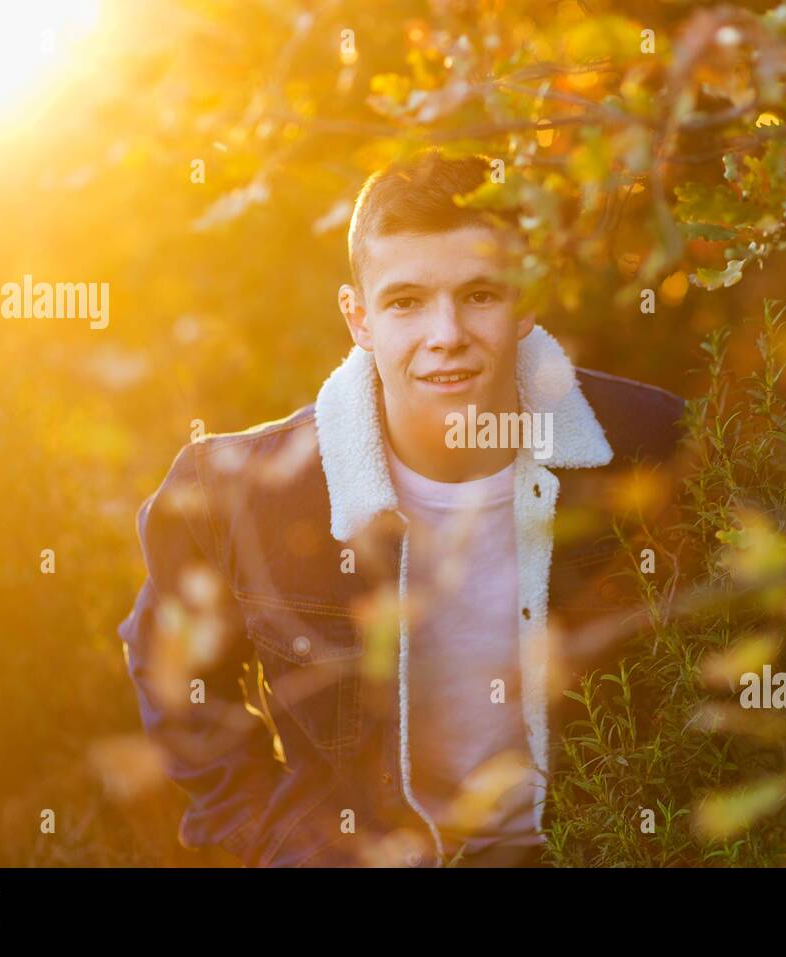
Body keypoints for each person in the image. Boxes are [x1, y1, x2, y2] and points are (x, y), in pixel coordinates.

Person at [118, 148, 686, 867]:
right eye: (406, 301)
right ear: (359, 318)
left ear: (529, 298)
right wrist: (262, 832)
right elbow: (171, 663)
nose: (445, 333)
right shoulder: (246, 491)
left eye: (480, 294)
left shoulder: (647, 444)